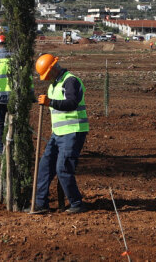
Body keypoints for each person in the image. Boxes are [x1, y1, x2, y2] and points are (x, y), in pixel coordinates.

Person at [31, 53, 89, 215]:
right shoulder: (53, 85)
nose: (46, 78)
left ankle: (76, 203)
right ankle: (40, 204)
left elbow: (71, 103)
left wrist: (50, 102)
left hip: (73, 132)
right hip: (58, 134)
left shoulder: (70, 81)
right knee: (44, 166)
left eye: (47, 74)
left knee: (62, 168)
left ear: (53, 68)